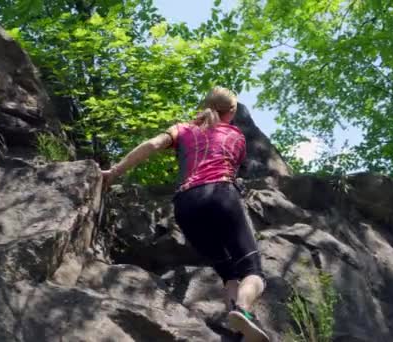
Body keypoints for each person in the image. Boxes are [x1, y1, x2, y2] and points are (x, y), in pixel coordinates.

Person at [101, 87, 269, 342]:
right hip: (221, 194)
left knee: (228, 273)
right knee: (252, 271)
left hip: (186, 204)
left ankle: (237, 333)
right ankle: (242, 311)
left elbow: (151, 144)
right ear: (232, 111)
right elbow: (234, 164)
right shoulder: (236, 135)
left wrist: (114, 172)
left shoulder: (183, 129)